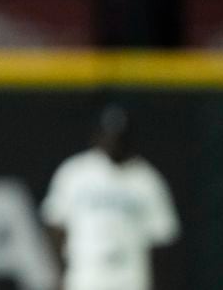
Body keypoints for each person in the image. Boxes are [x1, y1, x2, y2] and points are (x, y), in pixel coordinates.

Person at [40, 104, 180, 290]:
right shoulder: (76, 172)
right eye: (109, 135)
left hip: (130, 278)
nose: (113, 142)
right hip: (86, 276)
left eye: (119, 137)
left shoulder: (147, 180)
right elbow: (55, 226)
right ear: (98, 135)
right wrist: (58, 275)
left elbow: (163, 240)